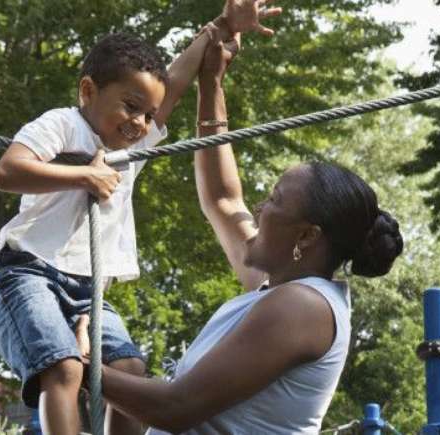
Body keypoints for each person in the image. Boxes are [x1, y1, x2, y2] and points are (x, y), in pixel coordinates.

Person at [0, 2, 283, 435]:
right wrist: (83, 174)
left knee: (129, 368)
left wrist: (219, 26)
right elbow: (7, 172)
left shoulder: (131, 148)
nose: (141, 122)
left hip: (87, 288)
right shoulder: (62, 125)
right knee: (65, 369)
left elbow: (175, 82)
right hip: (27, 272)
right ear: (88, 91)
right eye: (130, 106)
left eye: (148, 114)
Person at [96, 21, 405, 434]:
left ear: (307, 235)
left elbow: (177, 407)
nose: (260, 208)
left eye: (275, 200)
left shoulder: (303, 307)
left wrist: (74, 363)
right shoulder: (278, 284)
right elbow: (224, 198)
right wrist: (212, 84)